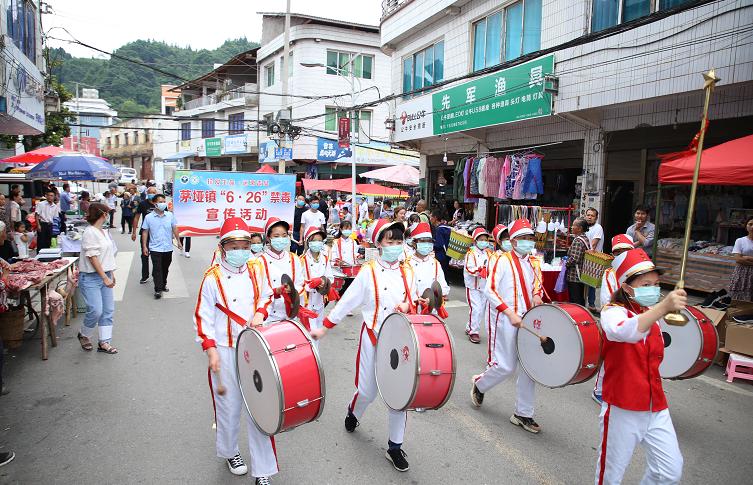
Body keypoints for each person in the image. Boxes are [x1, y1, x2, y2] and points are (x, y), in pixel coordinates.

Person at [310, 219, 422, 473]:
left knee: (398, 395)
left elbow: (415, 300)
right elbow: (346, 303)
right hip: (372, 337)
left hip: (400, 340)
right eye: (390, 241)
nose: (395, 246)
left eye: (399, 241)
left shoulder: (408, 271)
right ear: (379, 243)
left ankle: (395, 446)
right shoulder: (369, 271)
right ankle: (354, 412)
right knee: (368, 391)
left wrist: (409, 305)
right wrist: (324, 327)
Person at [194, 217, 278, 483]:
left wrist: (261, 313)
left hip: (254, 347)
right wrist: (210, 350)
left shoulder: (256, 269)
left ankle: (263, 470)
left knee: (261, 406)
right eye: (234, 246)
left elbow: (267, 295)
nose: (240, 250)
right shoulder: (212, 278)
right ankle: (231, 452)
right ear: (222, 248)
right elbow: (202, 317)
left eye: (244, 245)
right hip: (225, 350)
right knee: (229, 407)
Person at [595, 248, 686, 485]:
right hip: (622, 407)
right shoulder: (612, 312)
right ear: (626, 286)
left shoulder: (649, 314)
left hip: (656, 406)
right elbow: (624, 331)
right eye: (646, 284)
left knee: (669, 472)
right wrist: (662, 308)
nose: (653, 290)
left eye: (656, 284)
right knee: (610, 476)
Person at [473, 219, 544, 434]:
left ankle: (523, 413)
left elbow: (536, 287)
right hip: (505, 317)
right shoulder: (500, 260)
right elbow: (490, 291)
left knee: (529, 368)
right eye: (522, 238)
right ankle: (480, 384)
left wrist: (536, 296)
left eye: (530, 238)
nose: (527, 242)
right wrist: (509, 312)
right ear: (512, 240)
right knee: (505, 366)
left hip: (528, 319)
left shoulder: (534, 262)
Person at [592, 233, 636, 404]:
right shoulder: (610, 273)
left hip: (636, 321)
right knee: (609, 356)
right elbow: (607, 300)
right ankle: (599, 390)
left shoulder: (638, 272)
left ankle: (625, 388)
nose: (622, 255)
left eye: (626, 250)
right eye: (618, 252)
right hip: (615, 320)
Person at [77, 202, 118, 354]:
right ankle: (84, 334)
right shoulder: (90, 232)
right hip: (90, 277)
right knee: (96, 310)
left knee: (108, 310)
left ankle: (104, 342)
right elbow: (92, 257)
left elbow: (109, 255)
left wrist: (111, 275)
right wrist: (104, 277)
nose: (108, 215)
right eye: (107, 212)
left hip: (106, 274)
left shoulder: (105, 232)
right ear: (102, 214)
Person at [257, 217, 304, 322]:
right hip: (269, 316)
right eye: (276, 236)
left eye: (284, 235)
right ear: (268, 238)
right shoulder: (259, 262)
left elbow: (300, 284)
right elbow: (259, 292)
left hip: (290, 313)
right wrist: (276, 291)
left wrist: (292, 290)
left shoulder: (294, 258)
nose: (281, 239)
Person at [141, 194, 183, 299]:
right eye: (160, 201)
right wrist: (144, 247)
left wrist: (178, 241)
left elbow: (175, 228)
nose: (163, 203)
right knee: (157, 268)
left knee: (165, 268)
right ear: (154, 203)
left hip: (168, 247)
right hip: (155, 247)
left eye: (164, 201)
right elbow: (145, 232)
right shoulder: (148, 217)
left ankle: (163, 284)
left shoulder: (170, 215)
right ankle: (158, 289)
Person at [300, 226, 334, 346]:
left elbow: (330, 277)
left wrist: (324, 282)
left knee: (317, 333)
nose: (317, 243)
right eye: (314, 240)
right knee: (309, 334)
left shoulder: (325, 258)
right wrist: (310, 284)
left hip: (320, 302)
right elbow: (298, 284)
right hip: (306, 303)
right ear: (308, 241)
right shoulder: (301, 260)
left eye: (320, 240)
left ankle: (315, 360)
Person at [407, 222, 450, 310]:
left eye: (429, 241)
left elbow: (442, 284)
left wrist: (441, 294)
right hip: (414, 308)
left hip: (433, 307)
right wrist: (417, 299)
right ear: (414, 243)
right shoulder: (407, 264)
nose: (426, 244)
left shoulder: (435, 263)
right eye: (423, 241)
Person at [464, 227, 491, 344]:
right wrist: (480, 270)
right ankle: (474, 331)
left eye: (486, 239)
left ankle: (469, 326)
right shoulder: (471, 253)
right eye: (481, 239)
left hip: (484, 286)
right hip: (473, 286)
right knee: (476, 308)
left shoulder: (489, 253)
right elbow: (469, 268)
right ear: (475, 240)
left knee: (481, 309)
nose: (484, 241)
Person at [132, 186, 157, 284]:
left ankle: (156, 275)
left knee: (156, 256)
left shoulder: (160, 203)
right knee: (144, 254)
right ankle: (145, 275)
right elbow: (136, 218)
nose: (152, 194)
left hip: (157, 234)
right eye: (150, 192)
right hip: (145, 233)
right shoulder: (143, 204)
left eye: (154, 192)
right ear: (147, 193)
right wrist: (134, 232)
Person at [565, 218, 591, 306]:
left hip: (575, 276)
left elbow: (574, 259)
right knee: (580, 298)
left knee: (576, 300)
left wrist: (565, 263)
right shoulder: (585, 238)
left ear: (579, 228)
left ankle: (577, 318)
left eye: (573, 225)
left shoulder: (578, 241)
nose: (571, 227)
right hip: (581, 274)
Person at [729, 216, 753, 302]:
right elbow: (738, 259)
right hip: (741, 273)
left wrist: (747, 257)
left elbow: (742, 258)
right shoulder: (740, 241)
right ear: (746, 226)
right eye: (750, 224)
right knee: (738, 300)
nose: (752, 227)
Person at [585, 207, 604, 311]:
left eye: (592, 216)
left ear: (596, 218)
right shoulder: (584, 227)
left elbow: (593, 244)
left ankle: (591, 305)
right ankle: (584, 303)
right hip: (585, 257)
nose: (589, 217)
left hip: (594, 259)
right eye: (588, 215)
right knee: (584, 281)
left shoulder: (598, 227)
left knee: (591, 283)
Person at [430, 209, 452, 276]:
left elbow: (439, 244)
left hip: (440, 256)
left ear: (435, 218)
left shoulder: (439, 229)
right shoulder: (447, 227)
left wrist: (431, 245)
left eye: (431, 217)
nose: (430, 219)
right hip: (448, 255)